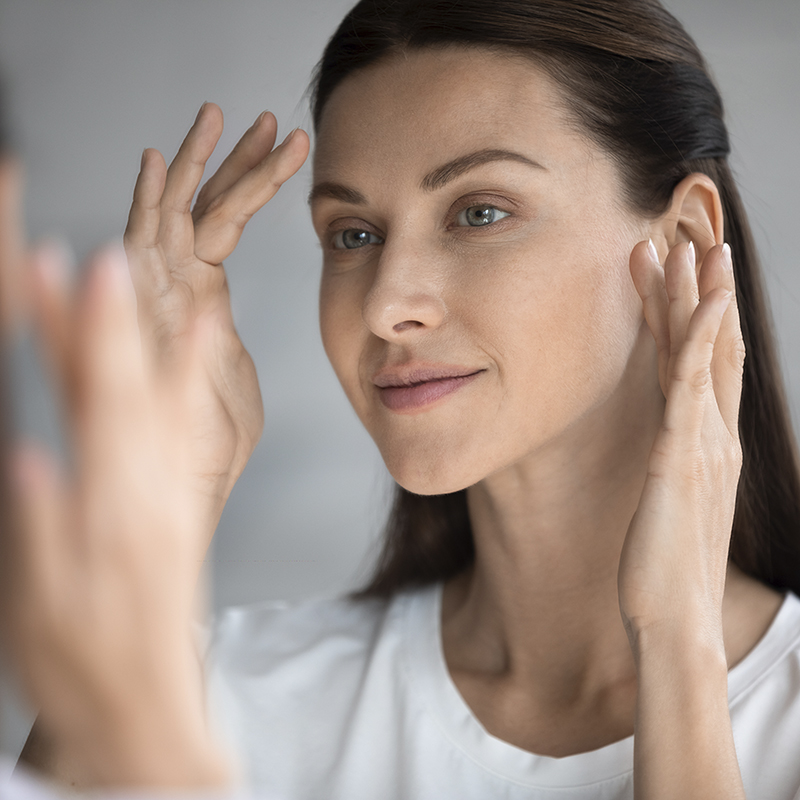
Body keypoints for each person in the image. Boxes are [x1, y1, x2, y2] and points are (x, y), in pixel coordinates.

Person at [18, 0, 800, 798]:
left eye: (480, 213)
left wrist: (678, 649)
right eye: (353, 233)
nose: (386, 304)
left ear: (686, 242)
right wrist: (175, 492)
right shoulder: (221, 699)